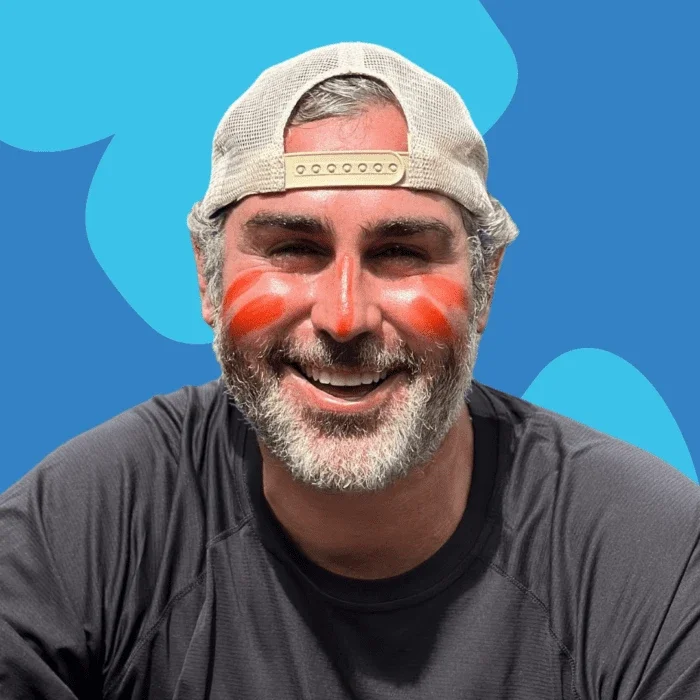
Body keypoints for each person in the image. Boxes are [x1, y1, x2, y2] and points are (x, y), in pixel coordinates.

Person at [1, 42, 698, 700]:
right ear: (207, 278)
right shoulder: (85, 526)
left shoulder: (648, 556)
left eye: (400, 253)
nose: (343, 317)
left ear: (485, 284)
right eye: (293, 249)